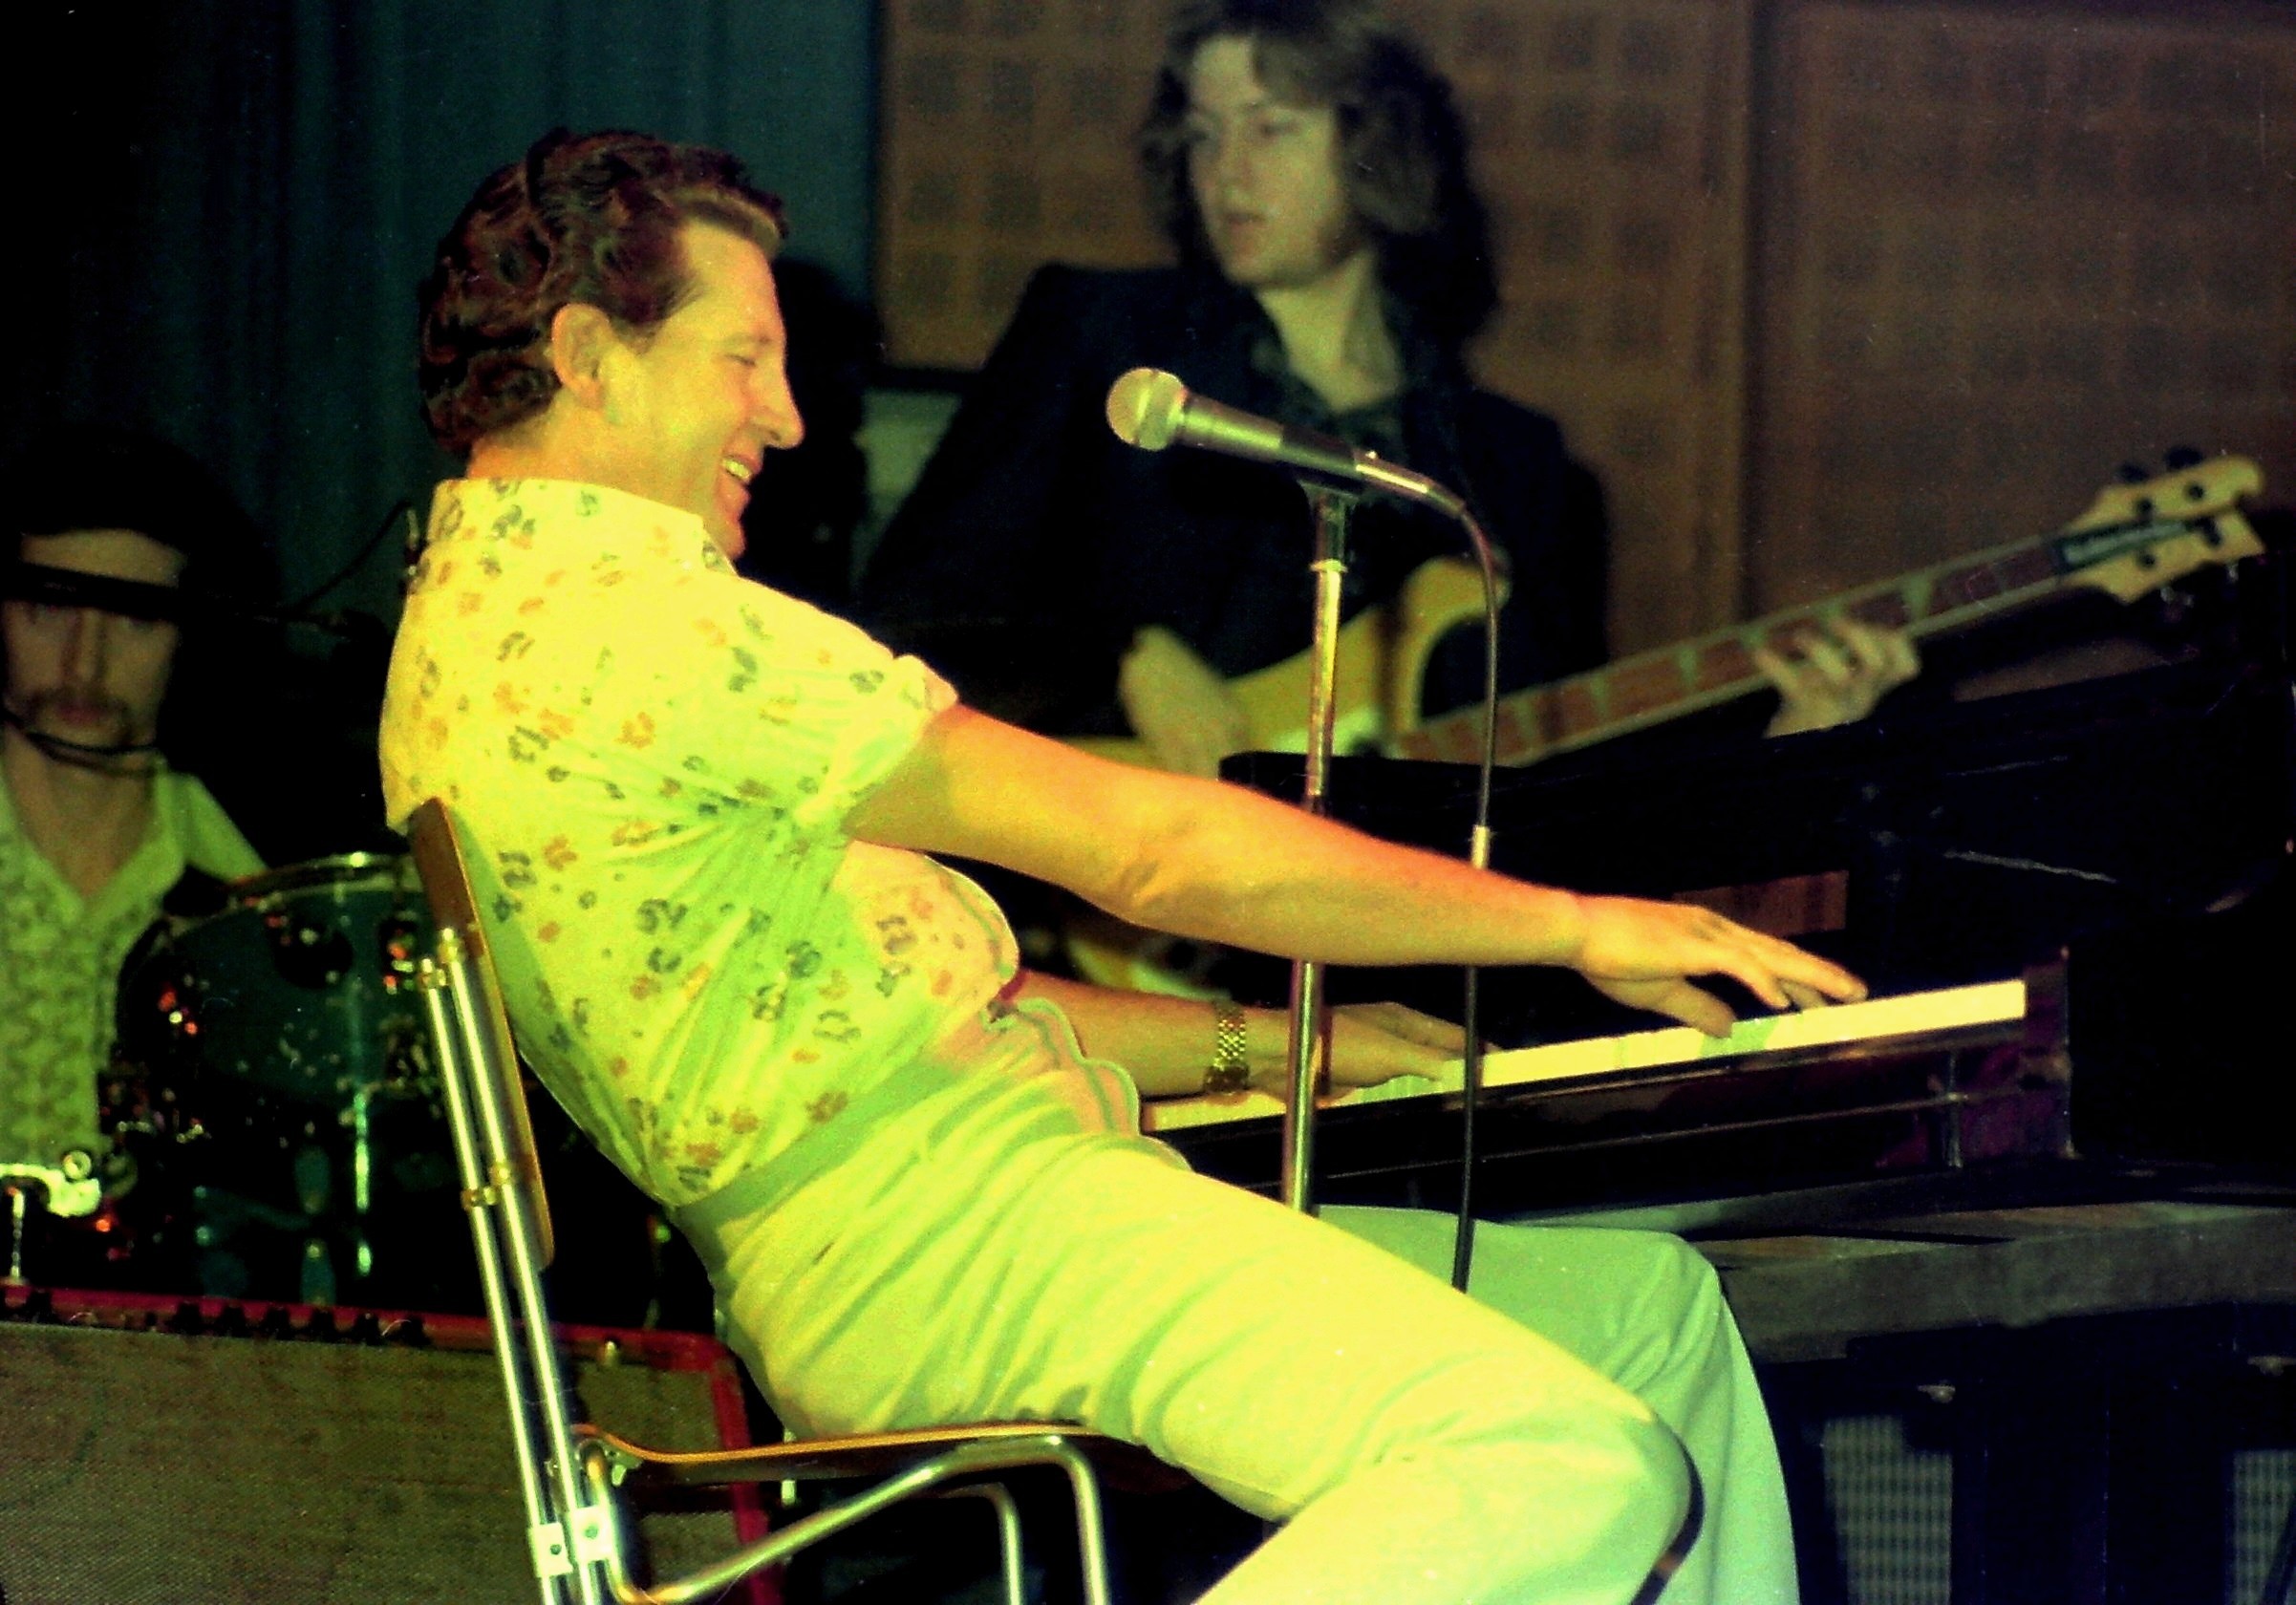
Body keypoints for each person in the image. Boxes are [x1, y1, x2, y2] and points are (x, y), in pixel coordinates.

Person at [388, 127, 1867, 1603]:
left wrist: (1301, 1041)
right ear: (587, 352)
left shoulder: (488, 620)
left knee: (1646, 1316)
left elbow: (902, 1011)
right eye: (741, 358)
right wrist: (1573, 930)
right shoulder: (637, 621)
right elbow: (1149, 853)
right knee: (1559, 1457)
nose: (782, 417)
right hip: (945, 1233)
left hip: (907, 1230)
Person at [861, 0, 1915, 780]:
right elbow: (904, 617)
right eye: (1202, 133)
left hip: (1364, 963)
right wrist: (1124, 656)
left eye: (1271, 128)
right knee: (1214, 1071)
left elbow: (1560, 775)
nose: (1225, 173)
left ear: (1373, 149)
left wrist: (1791, 747)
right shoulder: (1107, 336)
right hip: (1110, 928)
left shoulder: (1512, 468)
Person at [0, 427, 265, 1203]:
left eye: (135, 618)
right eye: (52, 607)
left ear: (191, 639)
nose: (85, 663)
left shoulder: (244, 899)